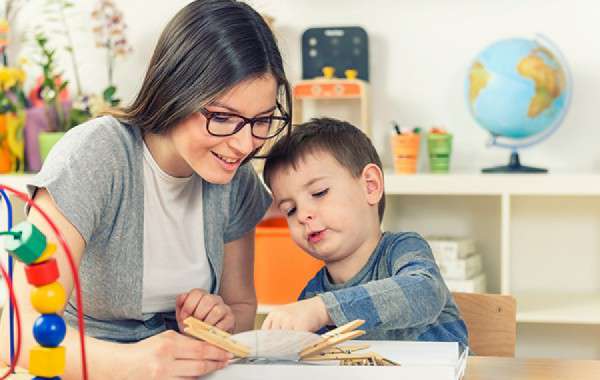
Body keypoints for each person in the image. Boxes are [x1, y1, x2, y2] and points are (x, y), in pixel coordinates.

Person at [0, 0, 291, 378]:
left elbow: (240, 309)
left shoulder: (235, 180)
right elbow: (16, 333)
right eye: (222, 117)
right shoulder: (97, 157)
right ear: (176, 91)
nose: (244, 144)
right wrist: (134, 364)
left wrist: (219, 322)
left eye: (262, 121)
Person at [260, 118, 468, 347]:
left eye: (319, 193)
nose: (302, 215)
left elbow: (425, 292)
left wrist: (324, 309)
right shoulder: (311, 296)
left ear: (370, 186)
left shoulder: (401, 249)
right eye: (290, 210)